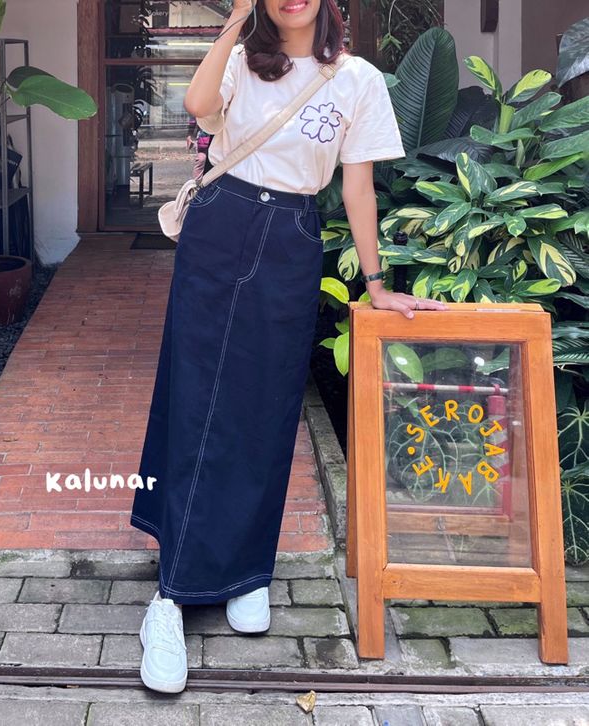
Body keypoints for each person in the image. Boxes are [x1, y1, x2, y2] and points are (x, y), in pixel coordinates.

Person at [130, 0, 450, 694]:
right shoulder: (243, 60)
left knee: (267, 406)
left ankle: (247, 568)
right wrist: (233, 21)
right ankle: (170, 597)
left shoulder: (359, 80)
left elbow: (357, 188)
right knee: (199, 399)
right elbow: (197, 105)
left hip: (293, 238)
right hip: (222, 224)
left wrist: (376, 285)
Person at [186, 115, 213, 181]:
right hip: (204, 139)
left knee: (215, 162)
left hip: (218, 138)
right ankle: (197, 183)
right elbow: (193, 119)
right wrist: (189, 135)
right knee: (201, 160)